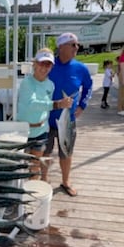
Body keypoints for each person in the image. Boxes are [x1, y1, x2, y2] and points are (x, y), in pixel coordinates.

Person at [42, 33, 93, 196]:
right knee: (45, 151)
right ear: (61, 46)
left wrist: (82, 105)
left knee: (66, 152)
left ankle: (65, 181)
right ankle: (43, 180)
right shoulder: (48, 65)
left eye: (77, 44)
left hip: (68, 121)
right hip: (46, 119)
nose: (76, 48)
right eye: (73, 45)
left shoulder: (81, 68)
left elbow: (88, 87)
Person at [16, 47, 73, 179]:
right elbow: (31, 104)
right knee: (18, 165)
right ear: (35, 64)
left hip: (41, 131)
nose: (44, 67)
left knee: (35, 164)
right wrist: (57, 104)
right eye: (42, 63)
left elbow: (44, 109)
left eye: (48, 64)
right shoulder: (26, 83)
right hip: (23, 131)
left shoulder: (50, 85)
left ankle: (33, 190)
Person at [117, 48, 124, 116]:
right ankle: (120, 109)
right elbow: (122, 69)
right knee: (121, 94)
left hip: (122, 76)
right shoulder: (123, 57)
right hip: (122, 77)